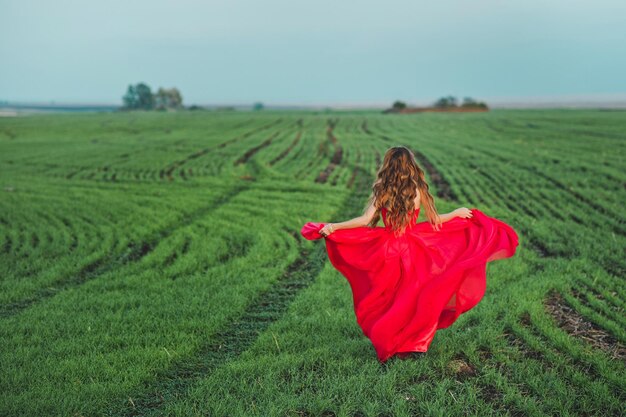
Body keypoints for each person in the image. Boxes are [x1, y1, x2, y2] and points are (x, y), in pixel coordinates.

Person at [300, 146, 519, 363]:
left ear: (388, 165)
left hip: (387, 249)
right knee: (414, 297)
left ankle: (391, 341)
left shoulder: (381, 188)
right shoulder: (418, 189)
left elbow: (365, 220)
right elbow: (435, 220)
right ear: (410, 165)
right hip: (414, 248)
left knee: (389, 299)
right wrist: (456, 213)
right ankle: (415, 344)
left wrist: (334, 226)